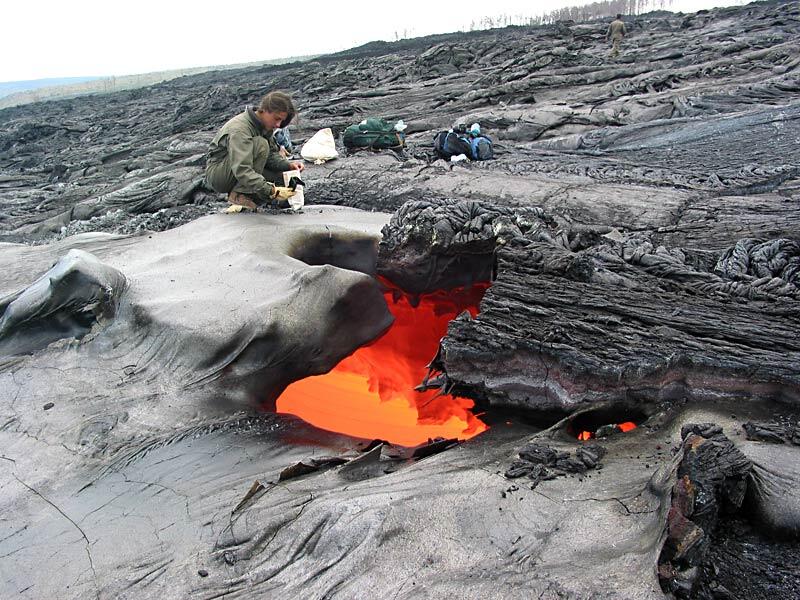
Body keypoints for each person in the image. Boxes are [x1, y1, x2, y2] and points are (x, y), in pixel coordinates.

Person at [205, 91, 305, 210]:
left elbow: (271, 155)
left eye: (281, 121)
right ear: (265, 110)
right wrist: (271, 190)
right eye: (276, 119)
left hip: (234, 169)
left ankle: (251, 193)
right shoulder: (241, 130)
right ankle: (239, 195)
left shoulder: (264, 125)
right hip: (219, 175)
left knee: (280, 177)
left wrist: (288, 165)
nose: (278, 125)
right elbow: (242, 169)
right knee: (260, 144)